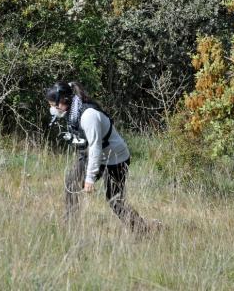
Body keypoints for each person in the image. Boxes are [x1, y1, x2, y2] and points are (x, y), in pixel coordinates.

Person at [46, 81, 156, 233]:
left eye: (53, 104)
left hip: (115, 159)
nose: (52, 108)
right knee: (71, 183)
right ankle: (70, 227)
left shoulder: (88, 115)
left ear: (64, 100)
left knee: (114, 201)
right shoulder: (73, 111)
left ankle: (142, 230)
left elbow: (95, 147)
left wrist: (90, 178)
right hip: (92, 155)